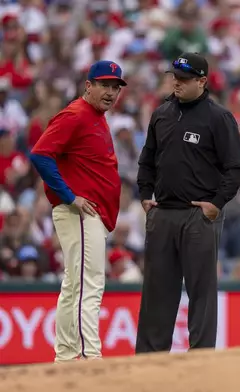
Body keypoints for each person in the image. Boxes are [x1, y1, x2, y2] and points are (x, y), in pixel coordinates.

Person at [135, 52, 240, 352]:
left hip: (198, 215)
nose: (177, 83)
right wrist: (146, 196)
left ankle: (200, 358)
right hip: (163, 213)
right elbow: (146, 160)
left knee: (202, 292)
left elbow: (238, 167)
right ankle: (148, 360)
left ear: (202, 81)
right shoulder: (161, 113)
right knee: (157, 291)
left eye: (184, 79)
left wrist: (215, 204)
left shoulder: (218, 117)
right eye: (175, 76)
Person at [30, 60, 126, 361]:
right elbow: (40, 155)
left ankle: (68, 356)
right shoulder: (75, 114)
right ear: (89, 85)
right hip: (81, 213)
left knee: (75, 285)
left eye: (115, 87)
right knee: (89, 284)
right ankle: (88, 357)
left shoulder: (95, 116)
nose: (111, 92)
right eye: (104, 85)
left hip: (88, 214)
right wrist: (70, 196)